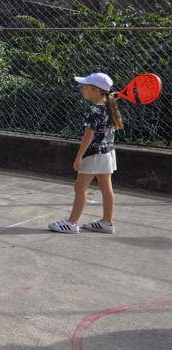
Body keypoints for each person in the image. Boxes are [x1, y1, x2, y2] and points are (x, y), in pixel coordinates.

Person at [48, 72, 123, 234]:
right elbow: (109, 98)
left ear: (96, 90)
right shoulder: (111, 107)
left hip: (94, 155)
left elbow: (88, 136)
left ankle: (72, 223)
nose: (81, 89)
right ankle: (107, 223)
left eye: (84, 87)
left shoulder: (93, 110)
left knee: (79, 188)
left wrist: (79, 157)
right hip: (108, 154)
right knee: (106, 188)